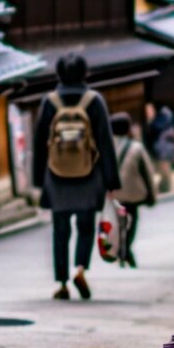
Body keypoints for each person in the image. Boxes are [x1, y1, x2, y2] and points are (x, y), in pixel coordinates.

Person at [33, 54, 120, 300]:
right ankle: (79, 268)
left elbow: (40, 142)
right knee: (85, 227)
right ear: (85, 73)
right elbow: (105, 142)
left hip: (56, 175)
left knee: (60, 230)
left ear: (58, 73)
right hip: (88, 174)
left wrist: (39, 180)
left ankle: (61, 283)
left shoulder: (49, 102)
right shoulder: (94, 101)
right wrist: (111, 181)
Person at [110, 112, 157, 268]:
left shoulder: (105, 148)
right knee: (132, 222)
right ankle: (126, 249)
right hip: (132, 194)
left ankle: (122, 250)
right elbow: (148, 173)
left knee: (118, 224)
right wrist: (152, 195)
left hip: (113, 194)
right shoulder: (136, 147)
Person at [145, 102, 174, 193]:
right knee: (164, 171)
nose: (148, 112)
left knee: (165, 171)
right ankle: (165, 188)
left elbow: (156, 135)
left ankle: (167, 188)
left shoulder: (159, 123)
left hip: (163, 151)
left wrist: (150, 122)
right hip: (161, 151)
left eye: (149, 110)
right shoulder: (160, 122)